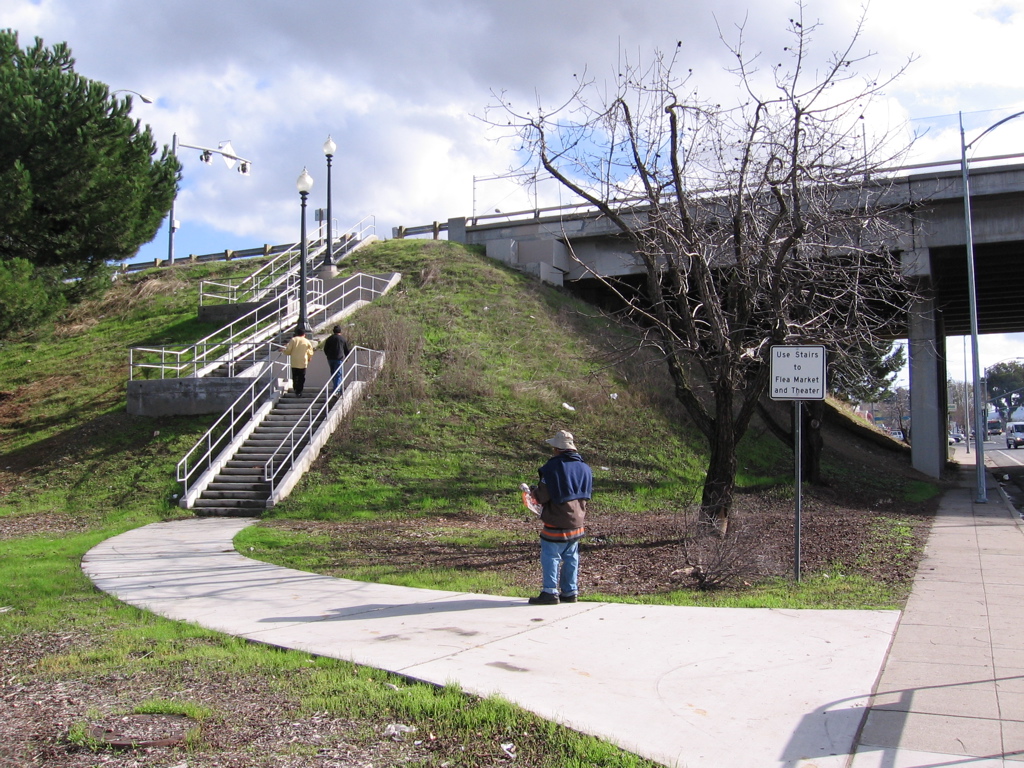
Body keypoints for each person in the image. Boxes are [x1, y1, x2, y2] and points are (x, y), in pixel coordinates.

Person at [528, 429, 592, 605]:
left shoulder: (552, 468)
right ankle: (570, 592)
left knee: (551, 554)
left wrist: (533, 491)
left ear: (557, 448)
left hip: (557, 519)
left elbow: (542, 496)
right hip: (578, 518)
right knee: (571, 555)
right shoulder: (585, 467)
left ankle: (550, 592)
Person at [281, 328, 315, 396]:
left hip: (294, 361)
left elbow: (288, 350)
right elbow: (310, 351)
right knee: (302, 377)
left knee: (295, 376)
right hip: (303, 361)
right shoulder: (307, 341)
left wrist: (283, 351)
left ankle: (295, 388)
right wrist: (309, 357)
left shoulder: (293, 340)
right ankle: (299, 390)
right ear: (304, 334)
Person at [322, 325, 351, 393]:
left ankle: (336, 387)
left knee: (333, 373)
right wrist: (347, 357)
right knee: (338, 374)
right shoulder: (342, 339)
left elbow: (325, 349)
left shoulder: (329, 339)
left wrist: (328, 355)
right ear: (340, 331)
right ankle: (337, 390)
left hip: (330, 359)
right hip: (339, 358)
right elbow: (346, 349)